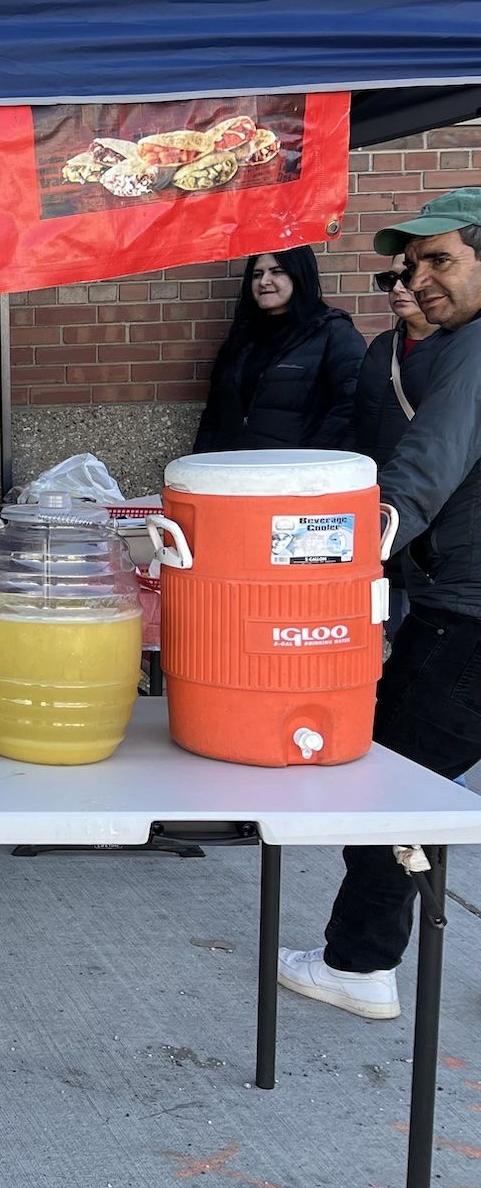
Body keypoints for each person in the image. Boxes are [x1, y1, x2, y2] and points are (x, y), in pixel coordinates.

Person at [278, 190, 481, 1020]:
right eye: (413, 263)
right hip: (453, 599)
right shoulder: (440, 346)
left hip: (465, 618)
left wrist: (333, 550)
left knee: (392, 785)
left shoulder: (476, 349)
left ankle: (358, 965)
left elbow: (426, 466)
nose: (421, 276)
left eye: (442, 260)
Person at [193, 247, 364, 453]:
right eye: (257, 274)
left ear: (298, 274)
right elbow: (213, 414)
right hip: (232, 472)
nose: (264, 281)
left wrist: (312, 460)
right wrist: (201, 462)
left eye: (277, 271)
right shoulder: (241, 338)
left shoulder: (333, 332)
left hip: (293, 474)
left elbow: (349, 406)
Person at [353, 265, 444, 638]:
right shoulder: (381, 346)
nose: (400, 288)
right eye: (390, 281)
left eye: (406, 278)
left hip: (429, 497)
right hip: (377, 494)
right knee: (383, 616)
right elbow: (357, 419)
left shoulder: (456, 350)